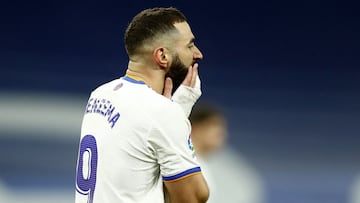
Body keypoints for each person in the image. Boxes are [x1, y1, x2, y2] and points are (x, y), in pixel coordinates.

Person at [75, 7, 209, 203]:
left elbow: (138, 176)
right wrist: (179, 112)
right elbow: (193, 198)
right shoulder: (161, 112)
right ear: (162, 56)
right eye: (189, 45)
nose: (198, 54)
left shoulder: (100, 95)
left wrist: (176, 113)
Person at [189, 103, 266, 203]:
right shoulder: (188, 166)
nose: (223, 134)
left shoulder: (202, 165)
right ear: (196, 128)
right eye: (216, 126)